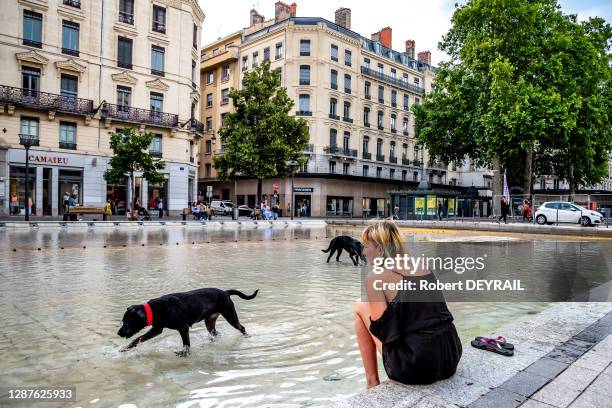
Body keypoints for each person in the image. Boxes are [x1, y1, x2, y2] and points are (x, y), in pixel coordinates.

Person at [354, 220, 462, 388]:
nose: (363, 251)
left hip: (415, 365)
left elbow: (385, 333)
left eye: (367, 246)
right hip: (450, 354)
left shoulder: (375, 278)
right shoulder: (423, 266)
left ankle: (372, 382)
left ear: (380, 250)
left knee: (360, 306)